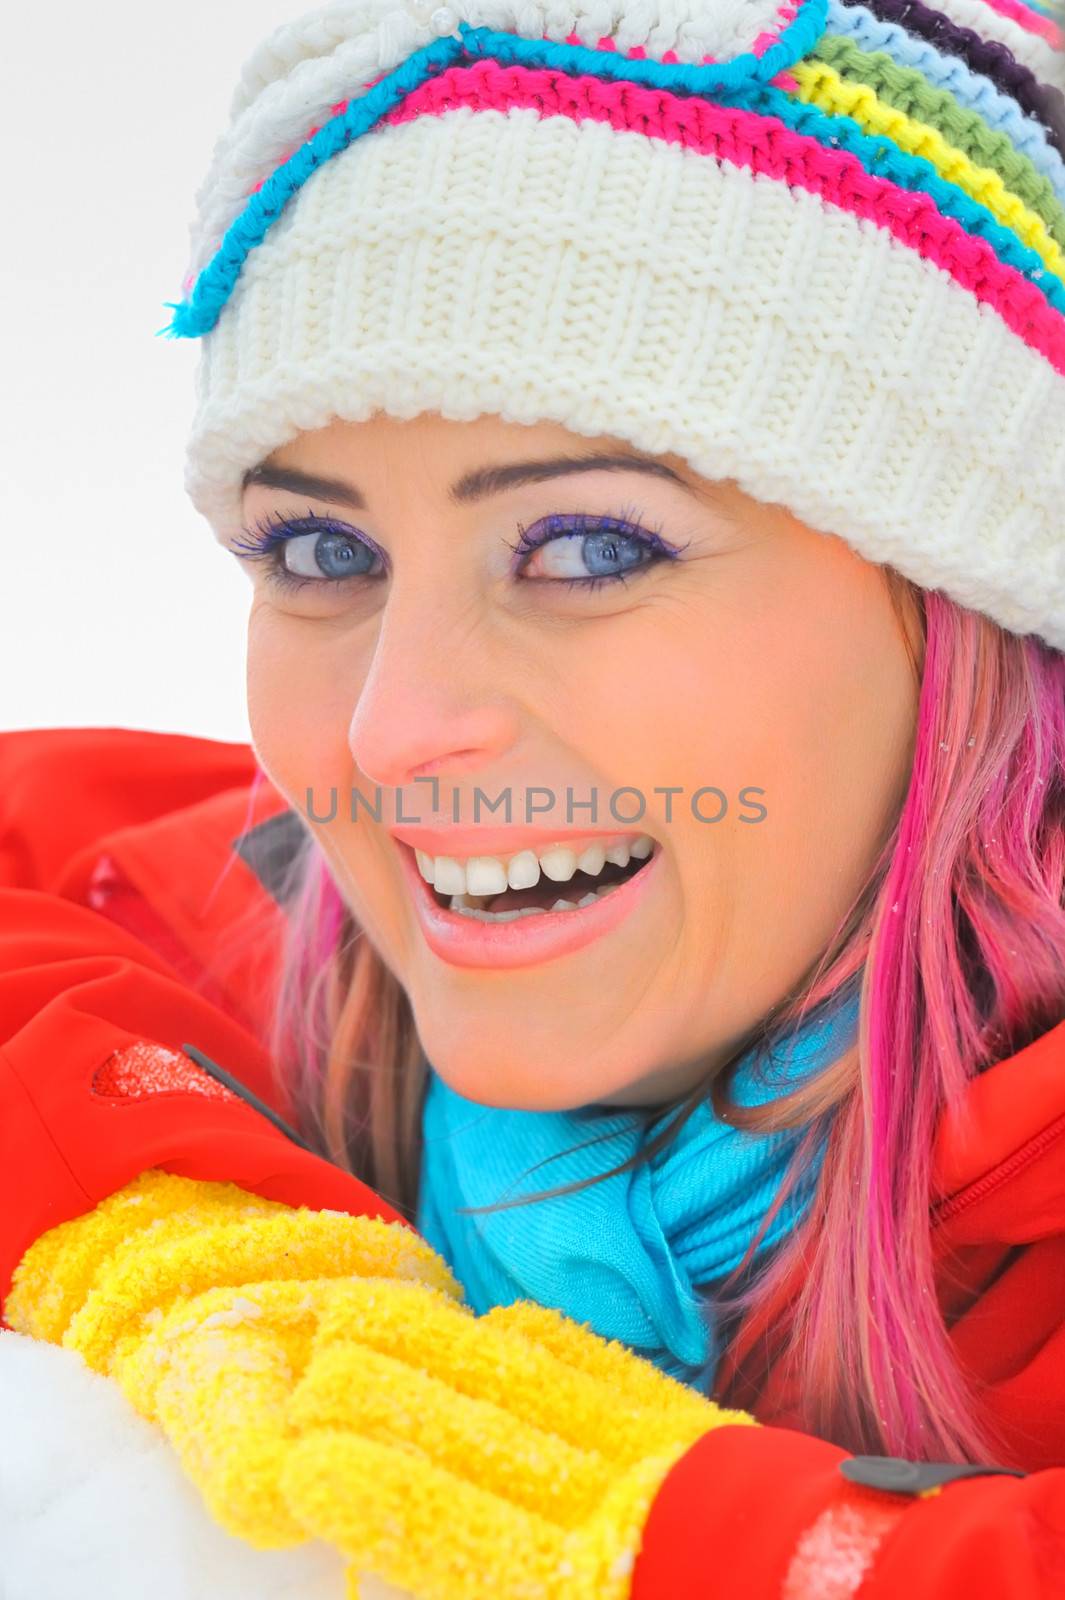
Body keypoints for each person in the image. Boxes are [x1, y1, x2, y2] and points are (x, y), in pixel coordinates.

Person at [2, 0, 1065, 1594]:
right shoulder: (262, 945)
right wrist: (176, 1217)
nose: (390, 728)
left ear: (968, 620)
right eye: (321, 554)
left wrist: (660, 1526)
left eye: (587, 549)